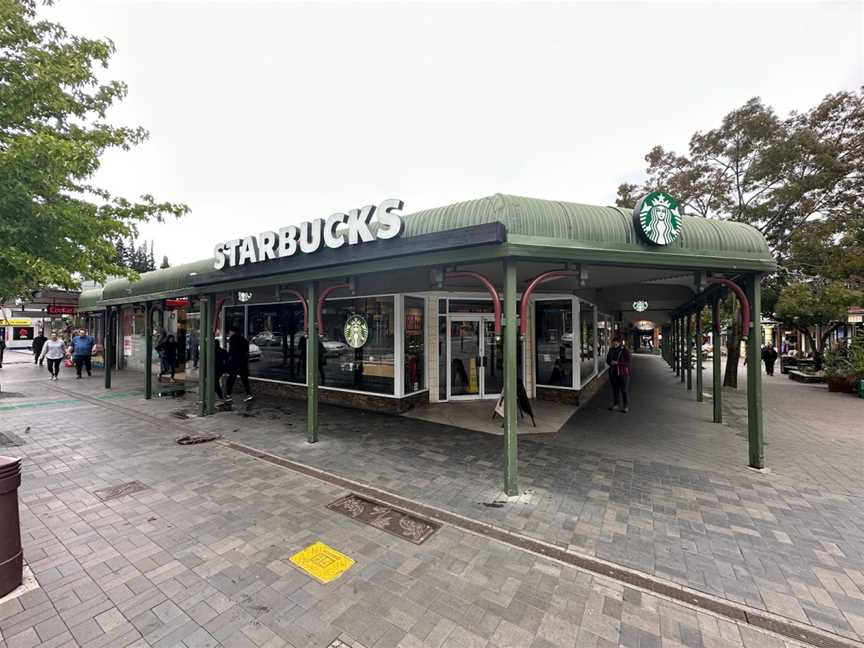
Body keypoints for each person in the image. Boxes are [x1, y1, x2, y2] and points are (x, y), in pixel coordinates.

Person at [225, 327, 253, 402]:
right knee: (245, 380)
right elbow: (247, 353)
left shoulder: (232, 339)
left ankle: (228, 395)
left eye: (230, 331)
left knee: (231, 379)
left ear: (233, 332)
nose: (229, 333)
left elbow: (231, 352)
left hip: (235, 363)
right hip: (243, 363)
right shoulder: (244, 340)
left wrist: (228, 359)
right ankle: (248, 394)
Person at [605, 335, 632, 413]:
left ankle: (625, 406)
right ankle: (616, 405)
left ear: (620, 343)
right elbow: (607, 360)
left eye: (616, 343)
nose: (614, 344)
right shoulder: (611, 350)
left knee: (624, 390)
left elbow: (628, 362)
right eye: (613, 343)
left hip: (623, 374)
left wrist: (617, 363)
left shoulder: (625, 351)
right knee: (615, 390)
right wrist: (610, 363)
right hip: (613, 373)